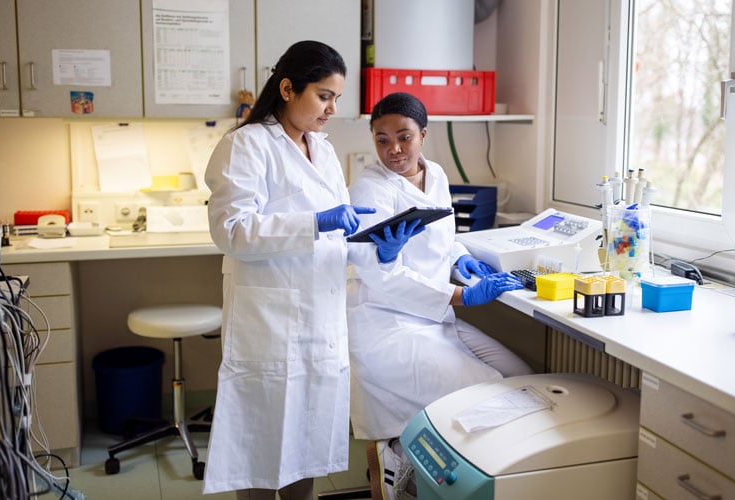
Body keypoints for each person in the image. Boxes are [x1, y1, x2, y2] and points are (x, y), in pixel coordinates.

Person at [203, 42, 422, 500]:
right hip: (270, 320)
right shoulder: (245, 145)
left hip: (321, 318)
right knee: (261, 447)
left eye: (336, 98)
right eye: (324, 96)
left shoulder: (321, 150)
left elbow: (335, 238)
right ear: (287, 88)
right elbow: (231, 231)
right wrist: (315, 222)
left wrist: (382, 250)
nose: (332, 109)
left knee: (307, 440)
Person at [347, 92, 533, 500]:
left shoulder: (437, 175)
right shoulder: (369, 190)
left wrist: (462, 257)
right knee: (491, 390)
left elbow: (442, 238)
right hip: (388, 326)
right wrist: (463, 297)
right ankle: (399, 455)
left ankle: (417, 454)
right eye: (381, 139)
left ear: (423, 135)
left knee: (522, 379)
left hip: (436, 320)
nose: (393, 149)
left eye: (404, 137)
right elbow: (379, 275)